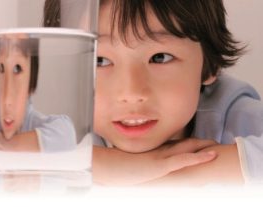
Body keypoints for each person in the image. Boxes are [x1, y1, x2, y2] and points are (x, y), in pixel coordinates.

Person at [43, 0, 263, 186]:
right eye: (100, 61)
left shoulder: (237, 116)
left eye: (160, 57)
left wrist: (169, 175)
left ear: (210, 64)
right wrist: (108, 165)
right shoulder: (67, 123)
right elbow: (14, 158)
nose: (131, 92)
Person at [0, 33, 77, 153]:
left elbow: (66, 136)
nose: (7, 100)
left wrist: (2, 144)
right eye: (1, 68)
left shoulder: (55, 129)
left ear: (31, 83)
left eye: (17, 69)